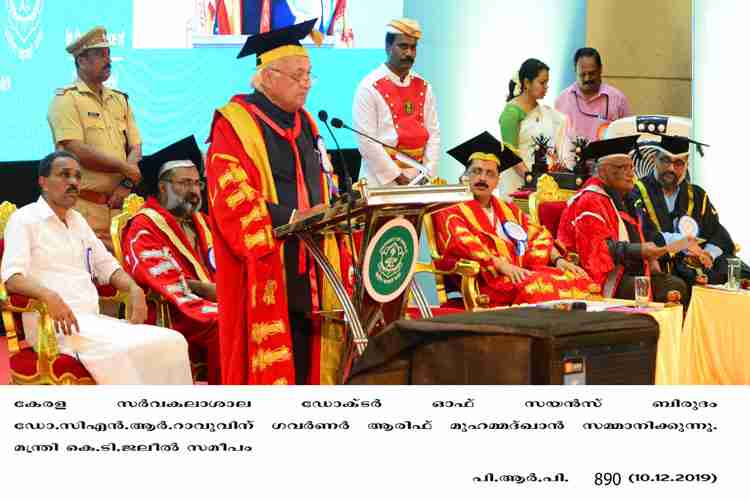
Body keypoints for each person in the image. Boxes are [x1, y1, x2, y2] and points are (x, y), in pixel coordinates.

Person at [206, 19, 351, 385]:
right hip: (270, 260)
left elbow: (324, 184)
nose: (306, 82)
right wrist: (293, 217)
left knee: (310, 357)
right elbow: (230, 195)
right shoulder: (234, 123)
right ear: (268, 77)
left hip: (316, 263)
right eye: (298, 74)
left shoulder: (308, 124)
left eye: (309, 74)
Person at [1, 151, 192, 384]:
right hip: (52, 327)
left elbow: (107, 267)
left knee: (172, 341)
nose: (73, 182)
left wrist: (133, 288)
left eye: (77, 176)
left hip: (93, 321)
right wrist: (48, 295)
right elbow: (12, 277)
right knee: (125, 352)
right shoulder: (24, 219)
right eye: (64, 175)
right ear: (43, 181)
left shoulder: (78, 220)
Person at [432, 132, 596, 307]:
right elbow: (464, 245)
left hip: (519, 273)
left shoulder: (508, 210)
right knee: (538, 286)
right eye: (476, 171)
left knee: (578, 279)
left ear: (497, 181)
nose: (482, 178)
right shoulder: (451, 209)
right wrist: (503, 266)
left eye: (490, 174)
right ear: (465, 176)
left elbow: (538, 235)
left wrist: (559, 260)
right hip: (486, 282)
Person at [120, 136, 221, 384]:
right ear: (163, 187)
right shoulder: (144, 227)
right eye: (185, 183)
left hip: (208, 302)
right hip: (172, 311)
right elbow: (162, 281)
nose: (194, 191)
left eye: (197, 183)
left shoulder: (204, 222)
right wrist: (211, 292)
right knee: (227, 323)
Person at [557, 136, 688, 303]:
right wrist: (640, 250)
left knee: (675, 284)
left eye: (631, 167)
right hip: (598, 277)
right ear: (602, 171)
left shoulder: (625, 199)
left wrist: (652, 258)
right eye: (621, 167)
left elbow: (641, 233)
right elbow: (598, 250)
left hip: (628, 270)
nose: (630, 173)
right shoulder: (590, 200)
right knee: (665, 288)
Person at [47, 27, 143, 251]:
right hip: (84, 208)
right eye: (100, 54)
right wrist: (125, 168)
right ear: (81, 60)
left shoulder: (120, 99)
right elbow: (75, 149)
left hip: (121, 206)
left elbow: (135, 147)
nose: (108, 60)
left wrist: (126, 185)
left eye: (108, 54)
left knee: (128, 275)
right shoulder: (66, 100)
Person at [632, 135, 750, 286]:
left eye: (678, 163)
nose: (671, 168)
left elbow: (717, 232)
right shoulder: (637, 192)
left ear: (687, 164)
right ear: (655, 159)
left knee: (742, 273)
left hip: (701, 263)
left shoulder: (697, 194)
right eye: (665, 160)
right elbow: (644, 233)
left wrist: (708, 254)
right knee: (677, 284)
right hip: (665, 261)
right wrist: (683, 244)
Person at [352, 18, 440, 186]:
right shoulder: (368, 87)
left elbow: (434, 135)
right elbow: (366, 142)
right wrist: (398, 176)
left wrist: (428, 174)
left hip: (419, 181)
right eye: (403, 46)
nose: (409, 53)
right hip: (381, 181)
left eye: (413, 47)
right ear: (388, 46)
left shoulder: (424, 86)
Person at [499, 58, 572, 199]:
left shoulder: (545, 112)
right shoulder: (511, 113)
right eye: (542, 82)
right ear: (527, 83)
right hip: (517, 184)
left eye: (547, 83)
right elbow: (510, 155)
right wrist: (530, 179)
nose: (546, 87)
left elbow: (550, 147)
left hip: (541, 182)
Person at [555, 47, 632, 142]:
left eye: (591, 73)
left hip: (607, 156)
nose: (587, 78)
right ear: (575, 71)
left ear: (600, 69)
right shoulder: (562, 100)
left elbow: (629, 137)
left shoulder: (618, 99)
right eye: (582, 74)